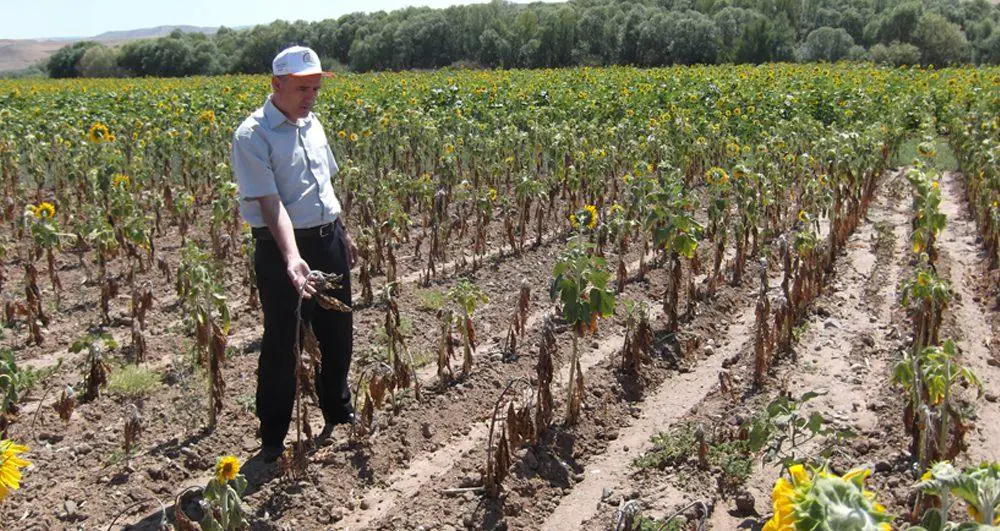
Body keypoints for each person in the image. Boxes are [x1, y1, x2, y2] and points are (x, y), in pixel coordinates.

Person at [231, 45, 358, 462]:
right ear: (276, 84)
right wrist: (291, 257)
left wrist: (342, 232)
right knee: (283, 341)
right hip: (281, 247)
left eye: (316, 88)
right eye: (303, 89)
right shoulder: (253, 135)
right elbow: (272, 205)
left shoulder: (313, 124)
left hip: (327, 238)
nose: (311, 97)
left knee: (338, 331)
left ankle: (338, 411)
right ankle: (273, 436)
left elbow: (325, 187)